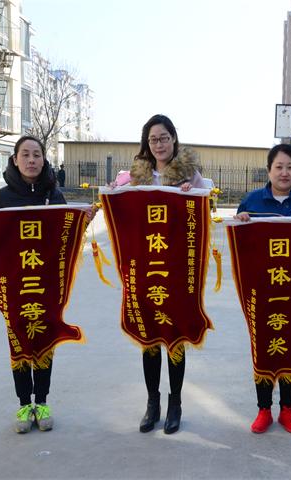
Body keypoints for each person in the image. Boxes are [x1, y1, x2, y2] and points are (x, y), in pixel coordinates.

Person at [0, 136, 71, 434]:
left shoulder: (54, 195)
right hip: (16, 285)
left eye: (37, 155)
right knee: (19, 340)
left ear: (44, 160)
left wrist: (83, 220)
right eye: (25, 154)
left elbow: (64, 238)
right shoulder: (3, 198)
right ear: (15, 159)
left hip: (46, 284)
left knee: (45, 340)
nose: (31, 160)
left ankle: (42, 402)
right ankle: (24, 404)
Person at [113, 114, 204, 434]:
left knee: (175, 337)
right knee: (149, 336)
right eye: (153, 139)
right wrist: (113, 193)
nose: (159, 144)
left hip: (176, 268)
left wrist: (190, 195)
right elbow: (120, 210)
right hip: (146, 267)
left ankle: (175, 402)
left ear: (174, 139)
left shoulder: (191, 175)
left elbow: (203, 216)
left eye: (164, 137)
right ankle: (153, 403)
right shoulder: (135, 177)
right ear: (146, 143)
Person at [235, 143, 291, 434]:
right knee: (264, 345)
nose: (284, 172)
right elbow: (240, 246)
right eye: (279, 167)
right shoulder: (251, 202)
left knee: (290, 345)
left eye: (290, 167)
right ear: (269, 170)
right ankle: (263, 409)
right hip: (262, 290)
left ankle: (287, 409)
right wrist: (241, 221)